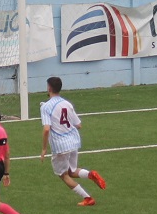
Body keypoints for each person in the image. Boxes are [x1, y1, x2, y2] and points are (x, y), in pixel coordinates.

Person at [39, 76, 107, 206]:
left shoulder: (46, 107)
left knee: (63, 175)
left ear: (49, 88)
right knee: (71, 171)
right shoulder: (67, 104)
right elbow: (79, 125)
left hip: (60, 145)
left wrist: (43, 149)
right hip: (74, 142)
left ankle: (88, 198)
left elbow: (46, 129)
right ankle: (90, 174)